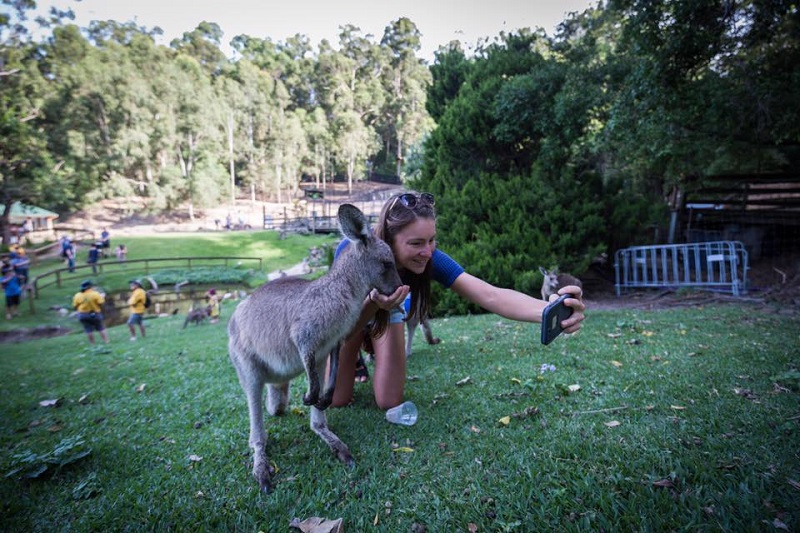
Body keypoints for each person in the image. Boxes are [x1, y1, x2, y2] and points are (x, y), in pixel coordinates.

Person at [330, 191, 586, 410]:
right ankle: (357, 363)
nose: (427, 252)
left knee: (389, 401)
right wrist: (372, 305)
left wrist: (549, 309)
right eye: (416, 243)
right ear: (389, 240)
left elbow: (490, 294)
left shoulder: (430, 258)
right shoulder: (352, 254)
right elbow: (339, 329)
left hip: (390, 306)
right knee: (337, 400)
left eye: (431, 240)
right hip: (348, 318)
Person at [72, 280, 109, 344]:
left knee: (88, 329)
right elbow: (101, 303)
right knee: (100, 328)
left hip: (83, 314)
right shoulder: (95, 294)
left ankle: (92, 343)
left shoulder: (77, 295)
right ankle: (106, 341)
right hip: (95, 313)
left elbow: (75, 306)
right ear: (90, 287)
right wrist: (102, 297)